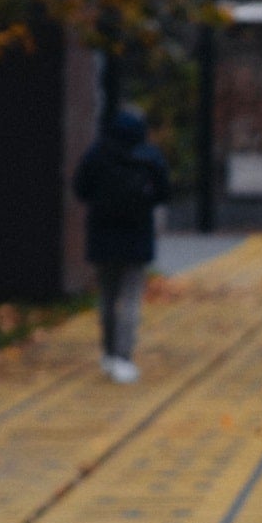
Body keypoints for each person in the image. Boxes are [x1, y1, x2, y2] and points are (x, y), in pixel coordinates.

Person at [71, 107, 169, 384]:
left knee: (107, 296)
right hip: (137, 236)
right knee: (130, 299)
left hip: (103, 236)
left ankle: (109, 353)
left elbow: (80, 188)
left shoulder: (97, 154)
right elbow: (164, 193)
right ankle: (124, 357)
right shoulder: (150, 156)